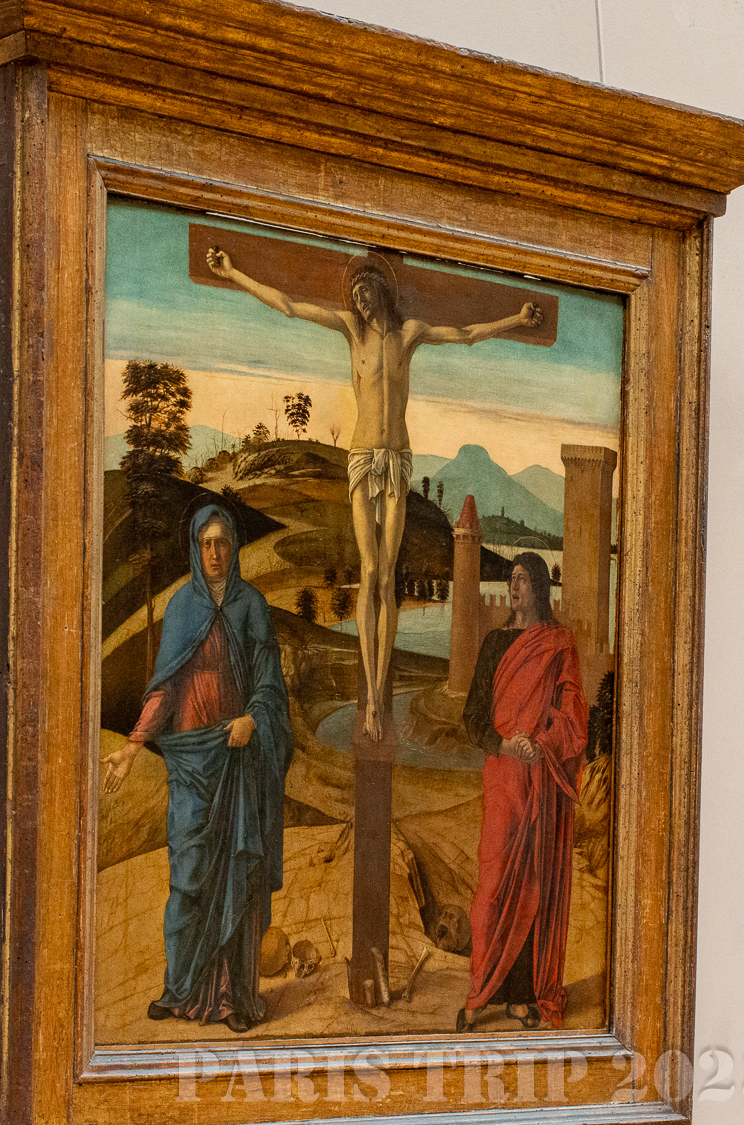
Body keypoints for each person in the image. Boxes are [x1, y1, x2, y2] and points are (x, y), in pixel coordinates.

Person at [204, 246, 541, 740]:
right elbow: (291, 306)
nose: (360, 303)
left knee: (387, 575)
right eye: (355, 296)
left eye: (365, 293)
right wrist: (234, 271)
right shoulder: (350, 331)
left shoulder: (409, 335)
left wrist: (516, 318)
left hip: (397, 460)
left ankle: (380, 687)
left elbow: (466, 334)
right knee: (368, 572)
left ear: (381, 292)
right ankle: (374, 696)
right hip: (363, 459)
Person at [99, 505, 293, 1032]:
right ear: (195, 547)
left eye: (222, 542)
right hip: (190, 762)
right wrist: (133, 746)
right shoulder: (182, 608)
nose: (214, 553)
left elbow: (270, 682)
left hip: (237, 758)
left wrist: (253, 718)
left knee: (236, 880)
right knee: (186, 880)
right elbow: (165, 689)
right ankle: (180, 989)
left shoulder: (252, 605)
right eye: (206, 543)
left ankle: (236, 999)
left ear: (234, 547)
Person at [455, 553, 587, 1031]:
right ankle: (480, 989)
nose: (514, 587)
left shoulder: (558, 643)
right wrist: (505, 744)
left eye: (524, 580)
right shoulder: (495, 644)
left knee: (532, 882)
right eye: (511, 579)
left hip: (540, 777)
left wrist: (542, 745)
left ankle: (520, 995)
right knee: (492, 885)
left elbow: (573, 713)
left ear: (540, 589)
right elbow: (472, 716)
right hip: (503, 777)